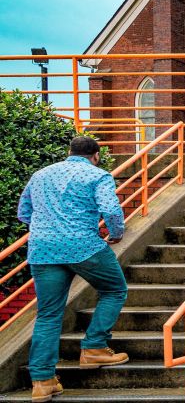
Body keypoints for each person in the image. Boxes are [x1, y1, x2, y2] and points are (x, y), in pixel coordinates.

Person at [18, 136, 129, 402]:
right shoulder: (97, 175)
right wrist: (116, 233)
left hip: (43, 250)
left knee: (48, 315)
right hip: (84, 246)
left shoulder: (41, 174)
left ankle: (42, 381)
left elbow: (24, 212)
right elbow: (111, 210)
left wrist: (48, 227)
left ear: (69, 152)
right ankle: (94, 347)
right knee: (114, 289)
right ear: (96, 155)